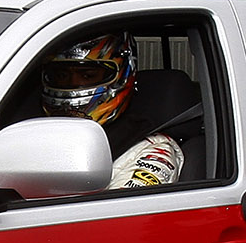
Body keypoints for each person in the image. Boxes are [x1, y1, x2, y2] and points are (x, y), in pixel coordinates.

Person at [40, 30, 181, 190]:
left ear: (123, 76)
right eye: (61, 75)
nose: (72, 86)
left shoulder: (152, 151)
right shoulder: (34, 135)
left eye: (88, 75)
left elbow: (122, 211)